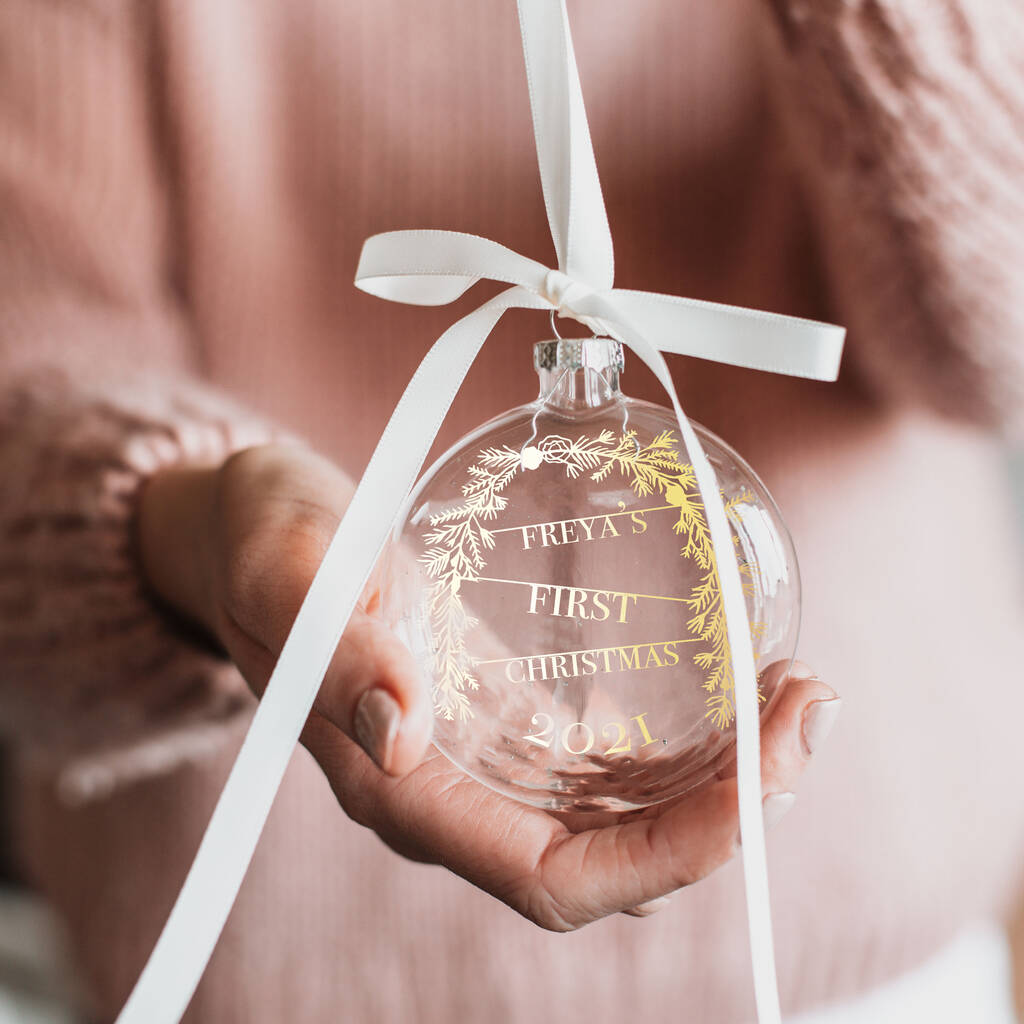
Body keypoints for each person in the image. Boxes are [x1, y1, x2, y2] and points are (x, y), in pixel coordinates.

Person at [1, 1, 1022, 1021]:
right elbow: (33, 370)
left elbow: (996, 350)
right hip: (270, 960)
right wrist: (203, 529)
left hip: (861, 950)